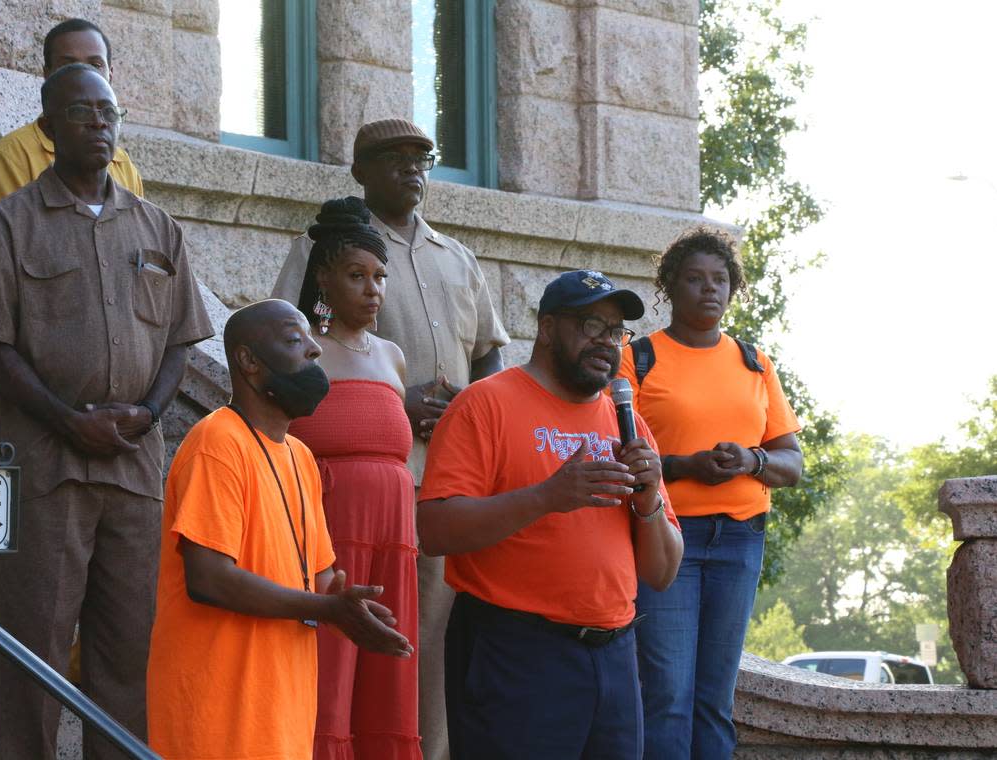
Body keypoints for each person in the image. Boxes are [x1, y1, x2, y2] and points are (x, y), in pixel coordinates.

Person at [0, 63, 213, 759]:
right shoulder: (10, 224)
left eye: (110, 113)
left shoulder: (157, 227)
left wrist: (150, 415)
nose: (100, 124)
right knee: (32, 647)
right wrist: (69, 420)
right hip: (47, 467)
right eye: (83, 112)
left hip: (132, 469)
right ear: (48, 125)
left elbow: (181, 341)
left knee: (126, 654)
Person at [272, 118, 509, 760]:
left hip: (447, 484)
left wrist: (471, 404)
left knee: (421, 640)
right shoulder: (327, 247)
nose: (412, 168)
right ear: (360, 171)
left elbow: (490, 353)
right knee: (341, 633)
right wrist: (385, 403)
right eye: (394, 157)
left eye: (422, 157)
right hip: (352, 485)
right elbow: (282, 352)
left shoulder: (457, 258)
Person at [417, 270, 684, 760]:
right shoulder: (485, 405)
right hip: (517, 653)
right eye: (591, 325)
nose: (607, 342)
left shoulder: (629, 424)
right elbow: (435, 530)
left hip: (616, 656)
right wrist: (545, 497)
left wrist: (647, 504)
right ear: (547, 328)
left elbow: (662, 572)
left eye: (617, 332)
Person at [146, 299, 414, 760]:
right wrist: (328, 609)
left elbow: (319, 576)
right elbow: (209, 577)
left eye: (312, 340)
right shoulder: (217, 442)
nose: (314, 351)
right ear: (248, 361)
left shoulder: (300, 456)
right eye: (295, 340)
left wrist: (355, 610)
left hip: (280, 718)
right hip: (216, 719)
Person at [617, 226, 803, 759]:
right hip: (667, 540)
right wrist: (686, 466)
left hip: (741, 541)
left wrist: (752, 459)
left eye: (720, 279)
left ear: (733, 288)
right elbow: (619, 455)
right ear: (669, 286)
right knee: (668, 696)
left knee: (715, 699)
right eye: (694, 278)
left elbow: (792, 462)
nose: (709, 289)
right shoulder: (639, 359)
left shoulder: (754, 362)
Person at [286, 197, 421, 760]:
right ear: (324, 278)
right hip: (329, 539)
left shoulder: (392, 356)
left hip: (395, 541)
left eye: (381, 277)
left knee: (386, 674)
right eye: (357, 275)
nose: (373, 290)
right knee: (330, 673)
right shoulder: (299, 355)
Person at [0, 17, 143, 211]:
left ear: (111, 75)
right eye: (68, 64)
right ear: (47, 74)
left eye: (96, 65)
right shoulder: (12, 156)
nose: (83, 73)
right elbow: (5, 233)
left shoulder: (123, 164)